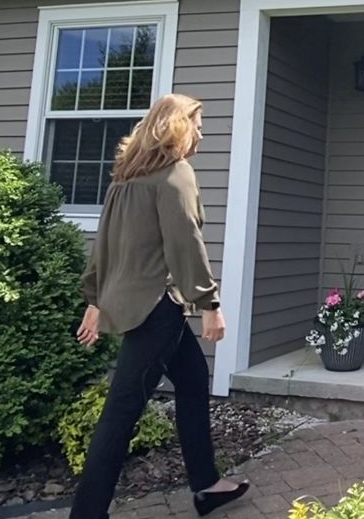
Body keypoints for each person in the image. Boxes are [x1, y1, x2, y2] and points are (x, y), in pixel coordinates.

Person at [69, 93, 249, 518]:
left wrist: (95, 298)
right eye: (197, 126)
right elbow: (185, 241)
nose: (201, 135)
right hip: (157, 308)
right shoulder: (175, 173)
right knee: (121, 410)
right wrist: (210, 303)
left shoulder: (126, 176)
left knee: (193, 378)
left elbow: (105, 243)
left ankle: (207, 485)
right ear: (178, 127)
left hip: (137, 305)